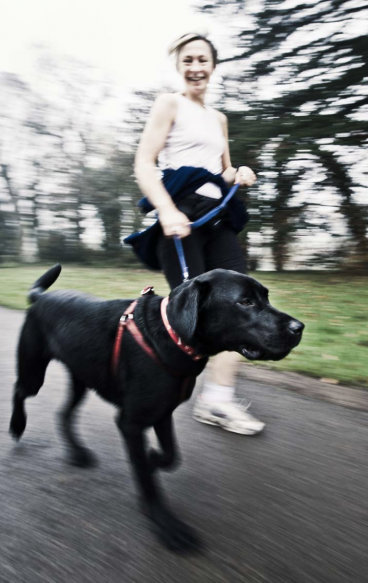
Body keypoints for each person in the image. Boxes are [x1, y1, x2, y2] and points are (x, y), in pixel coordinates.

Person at [133, 33, 264, 436]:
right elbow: (143, 162)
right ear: (179, 66)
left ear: (213, 65)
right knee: (192, 314)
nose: (195, 67)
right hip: (181, 219)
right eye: (187, 60)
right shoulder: (168, 104)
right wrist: (167, 210)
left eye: (202, 60)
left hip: (217, 219)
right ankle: (146, 379)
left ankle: (217, 402)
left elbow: (219, 169)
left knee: (244, 305)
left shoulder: (218, 118)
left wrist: (239, 173)